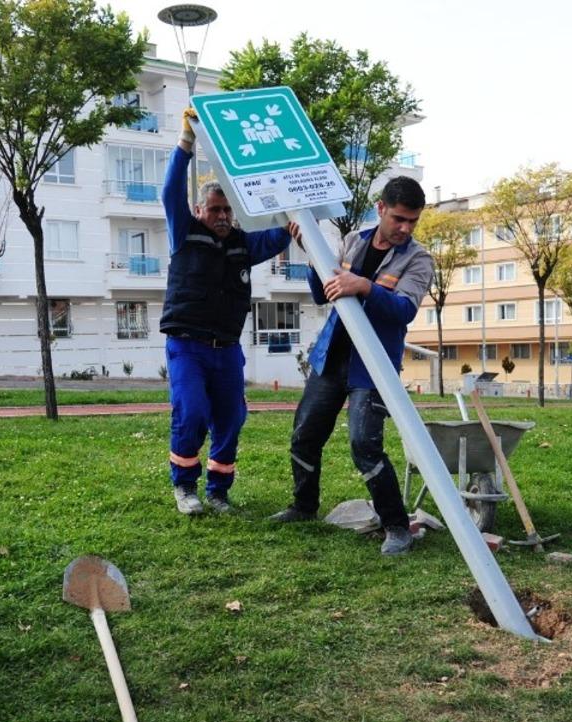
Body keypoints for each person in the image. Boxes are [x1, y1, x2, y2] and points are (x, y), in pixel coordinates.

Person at [270, 177, 434, 555]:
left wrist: (364, 286)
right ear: (381, 209)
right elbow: (320, 293)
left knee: (365, 445)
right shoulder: (353, 242)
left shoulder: (418, 259)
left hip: (372, 367)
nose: (405, 228)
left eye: (413, 221)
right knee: (305, 434)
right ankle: (303, 506)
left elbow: (403, 310)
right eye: (399, 218)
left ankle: (396, 526)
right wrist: (311, 253)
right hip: (332, 357)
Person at [161, 108, 292, 515]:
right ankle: (185, 487)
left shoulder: (242, 244)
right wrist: (186, 143)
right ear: (201, 210)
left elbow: (280, 231)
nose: (221, 216)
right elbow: (169, 193)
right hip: (187, 345)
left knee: (231, 418)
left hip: (228, 349)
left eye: (226, 211)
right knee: (193, 411)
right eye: (214, 209)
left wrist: (293, 197)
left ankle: (218, 491)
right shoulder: (185, 232)